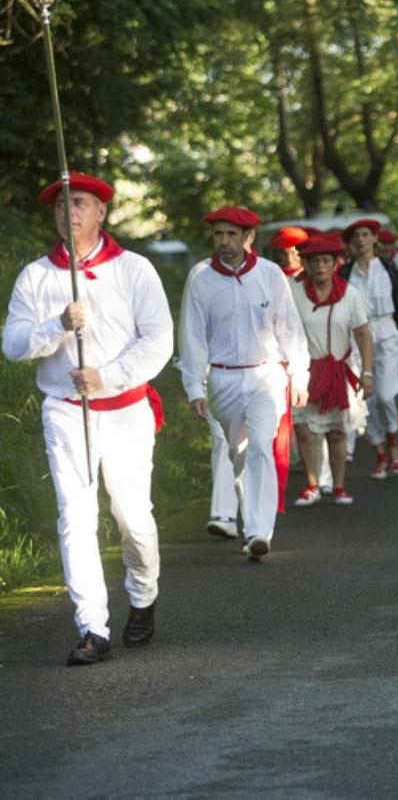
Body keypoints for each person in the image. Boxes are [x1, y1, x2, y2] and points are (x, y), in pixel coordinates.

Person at [3, 173, 174, 664]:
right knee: (76, 517)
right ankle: (92, 627)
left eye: (79, 203)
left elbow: (159, 340)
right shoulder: (35, 276)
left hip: (125, 409)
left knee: (132, 516)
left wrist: (109, 376)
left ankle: (142, 596)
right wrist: (57, 326)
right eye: (59, 205)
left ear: (101, 212)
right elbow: (13, 346)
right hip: (63, 410)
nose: (68, 212)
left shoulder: (135, 269)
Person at [180, 206, 309, 561]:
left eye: (232, 234)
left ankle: (257, 532)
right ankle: (249, 521)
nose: (224, 241)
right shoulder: (201, 277)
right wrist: (194, 387)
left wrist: (299, 374)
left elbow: (290, 329)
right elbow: (192, 336)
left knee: (261, 448)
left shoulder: (269, 275)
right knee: (238, 454)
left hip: (266, 376)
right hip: (222, 378)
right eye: (219, 234)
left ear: (249, 238)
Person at [289, 235, 374, 508]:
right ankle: (311, 484)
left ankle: (338, 486)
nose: (321, 267)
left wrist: (367, 373)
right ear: (307, 264)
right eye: (315, 262)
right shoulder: (293, 291)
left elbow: (363, 334)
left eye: (326, 261)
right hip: (304, 369)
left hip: (339, 369)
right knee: (304, 429)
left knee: (337, 431)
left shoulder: (350, 294)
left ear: (336, 263)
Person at [339, 219, 398, 480]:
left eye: (365, 235)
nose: (360, 240)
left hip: (387, 331)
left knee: (386, 396)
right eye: (355, 236)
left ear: (375, 238)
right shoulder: (346, 273)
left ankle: (392, 439)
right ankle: (380, 452)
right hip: (358, 334)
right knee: (364, 398)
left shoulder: (389, 267)